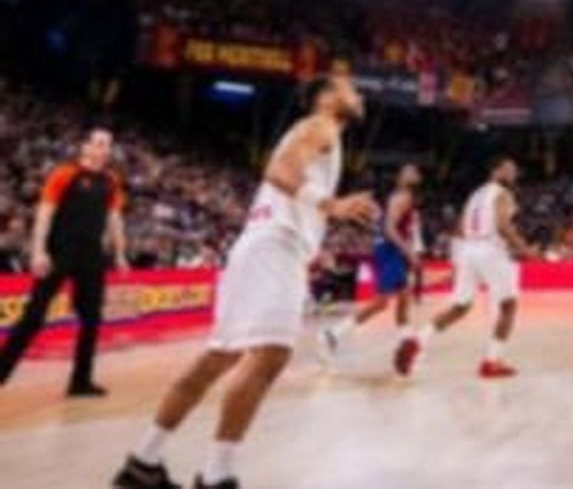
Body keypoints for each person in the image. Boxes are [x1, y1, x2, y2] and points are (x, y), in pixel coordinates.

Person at [112, 73, 376, 489]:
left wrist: (319, 219)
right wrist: (330, 204)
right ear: (326, 97)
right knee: (269, 355)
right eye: (349, 88)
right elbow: (278, 170)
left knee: (218, 357)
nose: (358, 95)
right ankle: (217, 475)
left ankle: (143, 462)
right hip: (275, 247)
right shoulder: (321, 124)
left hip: (261, 245)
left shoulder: (319, 133)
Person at [0, 126, 128, 397]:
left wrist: (119, 253)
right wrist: (38, 251)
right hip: (59, 251)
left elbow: (115, 219)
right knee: (34, 315)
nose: (103, 149)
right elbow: (45, 213)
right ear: (85, 146)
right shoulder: (65, 174)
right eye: (98, 143)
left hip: (91, 255)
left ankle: (80, 381)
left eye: (107, 144)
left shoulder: (111, 181)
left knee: (91, 318)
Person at [394, 158, 528, 379]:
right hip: (490, 249)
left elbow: (460, 228)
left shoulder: (475, 194)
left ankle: (417, 340)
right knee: (509, 306)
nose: (513, 173)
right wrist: (524, 249)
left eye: (514, 170)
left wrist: (460, 260)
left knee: (460, 306)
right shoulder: (503, 193)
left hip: (467, 249)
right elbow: (503, 226)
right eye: (508, 169)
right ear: (495, 171)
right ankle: (491, 361)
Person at [320, 164, 424, 362]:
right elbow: (390, 229)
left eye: (415, 171)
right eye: (409, 171)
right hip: (389, 250)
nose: (414, 173)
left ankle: (406, 343)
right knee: (382, 302)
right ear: (400, 178)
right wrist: (409, 252)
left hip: (389, 250)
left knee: (404, 297)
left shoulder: (404, 198)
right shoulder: (401, 197)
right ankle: (332, 334)